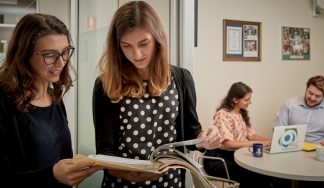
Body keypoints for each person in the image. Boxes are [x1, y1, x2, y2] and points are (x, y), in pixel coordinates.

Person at [92, 1, 221, 187]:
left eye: (143, 43)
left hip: (171, 182)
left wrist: (206, 138)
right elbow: (105, 152)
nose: (136, 54)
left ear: (157, 38)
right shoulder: (106, 84)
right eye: (126, 46)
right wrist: (130, 174)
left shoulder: (181, 78)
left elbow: (191, 136)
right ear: (117, 46)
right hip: (122, 183)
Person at [0, 13, 101, 188]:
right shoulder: (3, 101)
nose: (61, 62)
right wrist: (53, 175)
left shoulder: (54, 97)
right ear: (24, 55)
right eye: (49, 54)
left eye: (65, 52)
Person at [203, 82, 286, 188]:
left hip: (236, 157)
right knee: (254, 175)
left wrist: (272, 141)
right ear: (235, 99)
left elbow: (252, 135)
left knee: (267, 173)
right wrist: (259, 143)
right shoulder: (222, 114)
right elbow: (228, 144)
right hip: (218, 160)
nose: (249, 102)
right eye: (246, 100)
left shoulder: (242, 113)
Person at [273, 75, 324, 149]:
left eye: (317, 96)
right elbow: (277, 130)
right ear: (306, 89)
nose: (312, 98)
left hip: (319, 150)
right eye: (310, 93)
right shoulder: (289, 104)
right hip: (291, 148)